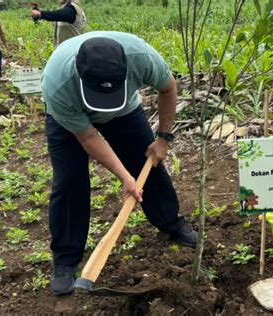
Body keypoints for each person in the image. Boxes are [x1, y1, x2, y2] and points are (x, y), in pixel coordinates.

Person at [42, 31, 198, 296]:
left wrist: (163, 139)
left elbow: (169, 88)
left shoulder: (142, 57)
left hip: (124, 112)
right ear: (79, 74)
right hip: (68, 120)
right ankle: (65, 260)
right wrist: (125, 177)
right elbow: (89, 137)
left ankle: (171, 223)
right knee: (70, 180)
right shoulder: (58, 84)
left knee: (148, 164)